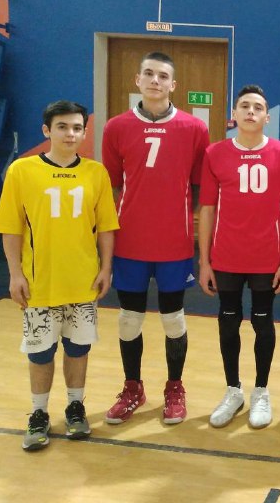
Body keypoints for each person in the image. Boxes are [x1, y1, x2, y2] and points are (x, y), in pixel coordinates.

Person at [0, 100, 119, 451]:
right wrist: (15, 274)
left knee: (78, 350)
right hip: (39, 283)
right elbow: (10, 228)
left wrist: (106, 268)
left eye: (77, 128)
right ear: (46, 130)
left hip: (83, 282)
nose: (70, 134)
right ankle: (39, 413)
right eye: (62, 127)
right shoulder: (22, 171)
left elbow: (106, 227)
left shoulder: (96, 173)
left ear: (84, 132)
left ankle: (75, 407)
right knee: (40, 353)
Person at [102, 51, 209, 425]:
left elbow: (199, 188)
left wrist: (181, 223)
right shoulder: (116, 127)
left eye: (162, 76)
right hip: (130, 244)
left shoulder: (194, 129)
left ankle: (174, 388)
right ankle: (132, 387)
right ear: (137, 80)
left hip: (173, 245)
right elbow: (111, 187)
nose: (155, 81)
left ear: (173, 85)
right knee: (128, 320)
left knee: (173, 320)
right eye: (148, 73)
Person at [198, 85, 280, 429]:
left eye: (258, 107)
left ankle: (261, 391)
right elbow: (207, 209)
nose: (251, 112)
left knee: (262, 322)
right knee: (228, 321)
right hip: (226, 257)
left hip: (266, 257)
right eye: (244, 106)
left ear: (267, 117)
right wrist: (204, 262)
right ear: (234, 115)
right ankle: (233, 390)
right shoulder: (214, 153)